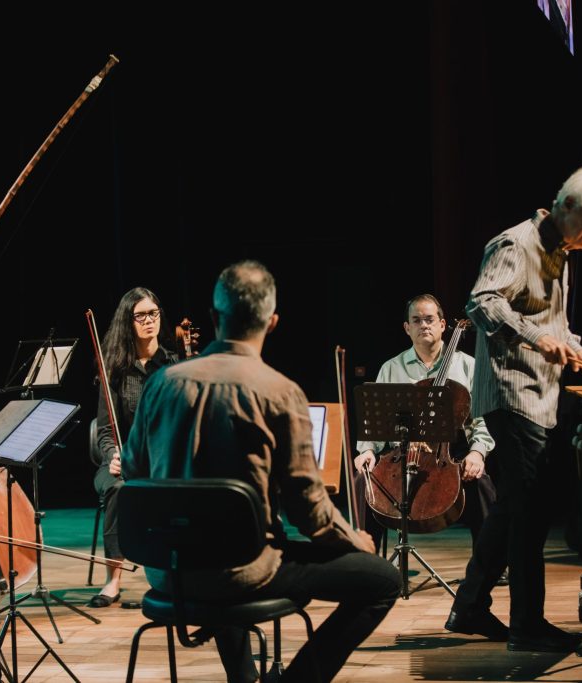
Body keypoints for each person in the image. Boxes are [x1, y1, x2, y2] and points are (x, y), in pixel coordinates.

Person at [123, 260, 400, 682]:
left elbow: (132, 468)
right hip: (240, 572)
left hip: (168, 570)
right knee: (383, 580)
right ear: (272, 323)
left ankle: (244, 677)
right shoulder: (279, 392)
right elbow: (309, 512)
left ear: (214, 317)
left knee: (218, 533)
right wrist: (354, 539)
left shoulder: (160, 384)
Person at [443, 164, 582, 652]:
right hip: (511, 392)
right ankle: (527, 625)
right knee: (532, 511)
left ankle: (469, 607)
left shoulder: (559, 254)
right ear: (568, 206)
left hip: (539, 396)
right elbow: (482, 302)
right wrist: (535, 336)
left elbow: (551, 324)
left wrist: (578, 350)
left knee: (515, 507)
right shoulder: (516, 244)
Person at [353, 294, 498, 556]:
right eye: (416, 320)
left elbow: (483, 420)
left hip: (450, 455)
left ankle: (488, 565)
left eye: (429, 319)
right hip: (400, 455)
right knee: (363, 481)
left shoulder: (468, 366)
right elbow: (373, 422)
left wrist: (477, 453)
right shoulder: (391, 368)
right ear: (407, 328)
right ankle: (366, 562)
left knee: (481, 484)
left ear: (442, 324)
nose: (424, 325)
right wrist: (367, 450)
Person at [88, 287, 178, 607]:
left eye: (153, 313)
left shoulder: (173, 366)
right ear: (128, 321)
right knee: (117, 488)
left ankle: (171, 575)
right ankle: (113, 581)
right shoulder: (115, 369)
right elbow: (105, 430)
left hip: (162, 461)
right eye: (140, 316)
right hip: (123, 460)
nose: (149, 320)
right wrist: (114, 455)